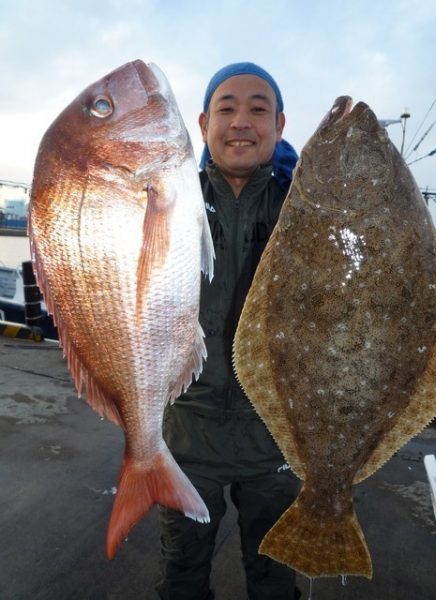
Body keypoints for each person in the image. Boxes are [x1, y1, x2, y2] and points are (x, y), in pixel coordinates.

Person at [156, 62, 301, 600]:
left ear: (280, 125)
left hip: (278, 440)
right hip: (188, 439)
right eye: (227, 107)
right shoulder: (168, 205)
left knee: (274, 581)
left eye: (258, 109)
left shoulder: (308, 211)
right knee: (181, 577)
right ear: (202, 123)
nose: (242, 121)